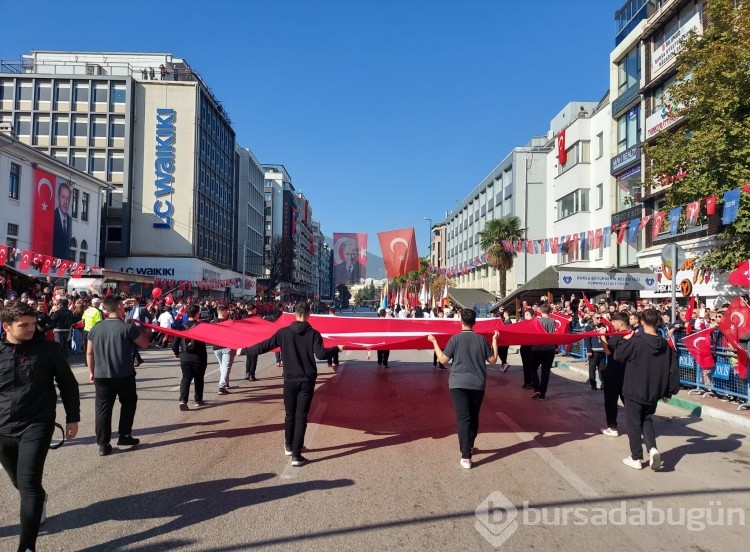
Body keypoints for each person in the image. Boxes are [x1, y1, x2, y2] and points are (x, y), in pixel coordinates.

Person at [0, 301, 80, 552]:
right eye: (23, 325)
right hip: (1, 428)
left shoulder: (49, 350)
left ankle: (27, 547)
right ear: (6, 327)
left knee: (29, 485)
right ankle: (39, 499)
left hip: (37, 424)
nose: (30, 329)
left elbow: (68, 384)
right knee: (19, 482)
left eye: (33, 324)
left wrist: (72, 417)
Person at [236, 302, 343, 467]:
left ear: (294, 314)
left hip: (290, 379)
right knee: (301, 416)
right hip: (306, 380)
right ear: (309, 314)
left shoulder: (283, 333)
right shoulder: (314, 334)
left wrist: (244, 351)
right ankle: (296, 454)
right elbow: (321, 355)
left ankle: (288, 445)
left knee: (290, 414)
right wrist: (337, 349)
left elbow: (264, 346)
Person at [427, 308, 499, 469]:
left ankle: (466, 456)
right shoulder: (481, 340)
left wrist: (434, 342)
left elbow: (443, 359)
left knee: (463, 419)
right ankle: (470, 445)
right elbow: (493, 360)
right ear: (475, 322)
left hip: (458, 385)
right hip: (477, 384)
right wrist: (495, 340)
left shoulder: (455, 339)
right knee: (474, 416)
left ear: (461, 321)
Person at [614, 308, 680, 470]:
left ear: (642, 321)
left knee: (633, 423)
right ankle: (652, 449)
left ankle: (636, 457)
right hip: (653, 392)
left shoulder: (637, 340)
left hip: (634, 389)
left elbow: (618, 357)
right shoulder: (664, 344)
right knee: (646, 419)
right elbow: (673, 369)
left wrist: (625, 341)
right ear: (657, 322)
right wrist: (669, 392)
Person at [86, 295, 151, 457]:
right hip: (124, 374)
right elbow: (144, 343)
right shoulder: (127, 327)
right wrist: (145, 331)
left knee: (103, 409)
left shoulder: (95, 328)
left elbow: (89, 352)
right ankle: (124, 435)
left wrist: (91, 372)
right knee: (128, 403)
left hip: (101, 375)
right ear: (120, 307)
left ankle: (103, 444)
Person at [171, 305, 207, 410]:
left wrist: (176, 353)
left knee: (186, 378)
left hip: (185, 357)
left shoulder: (181, 327)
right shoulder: (202, 326)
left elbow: (174, 344)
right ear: (197, 314)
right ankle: (198, 400)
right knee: (199, 379)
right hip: (199, 357)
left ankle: (183, 400)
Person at [599, 312, 629, 437]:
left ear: (621, 323)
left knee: (611, 402)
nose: (612, 324)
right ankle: (638, 429)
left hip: (613, 374)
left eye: (614, 322)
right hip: (627, 375)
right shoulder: (633, 336)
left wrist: (602, 338)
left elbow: (608, 352)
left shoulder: (617, 337)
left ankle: (612, 427)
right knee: (630, 404)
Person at [529, 303, 556, 400]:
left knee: (532, 368)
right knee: (545, 372)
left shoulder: (537, 321)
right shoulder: (553, 321)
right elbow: (553, 333)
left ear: (540, 311)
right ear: (550, 311)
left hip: (537, 348)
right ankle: (542, 394)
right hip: (549, 349)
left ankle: (536, 387)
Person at [211, 305, 235, 394]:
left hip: (216, 347)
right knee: (225, 367)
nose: (228, 312)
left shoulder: (212, 322)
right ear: (224, 312)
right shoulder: (229, 322)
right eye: (227, 311)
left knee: (223, 366)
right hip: (227, 346)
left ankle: (226, 382)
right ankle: (222, 385)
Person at [584, 313, 606, 390]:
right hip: (594, 351)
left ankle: (603, 385)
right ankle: (593, 385)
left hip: (602, 351)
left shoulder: (603, 326)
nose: (599, 319)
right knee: (592, 369)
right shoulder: (589, 327)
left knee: (602, 370)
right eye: (597, 318)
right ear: (593, 318)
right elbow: (587, 339)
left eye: (600, 317)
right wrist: (589, 350)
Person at [52, 182, 72, 260]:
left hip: (64, 265)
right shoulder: (52, 216)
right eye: (63, 197)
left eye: (68, 198)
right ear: (58, 197)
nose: (65, 202)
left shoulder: (69, 220)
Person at [519, 309, 535, 389]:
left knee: (530, 366)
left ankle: (531, 382)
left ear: (532, 315)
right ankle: (528, 382)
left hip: (532, 347)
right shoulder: (523, 323)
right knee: (526, 366)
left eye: (527, 315)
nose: (525, 316)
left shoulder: (535, 323)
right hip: (525, 347)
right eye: (525, 315)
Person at [244, 304, 259, 381]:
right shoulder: (256, 318)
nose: (256, 310)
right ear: (253, 310)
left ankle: (247, 373)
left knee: (248, 357)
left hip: (246, 339)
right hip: (254, 339)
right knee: (254, 358)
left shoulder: (244, 317)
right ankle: (251, 375)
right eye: (255, 309)